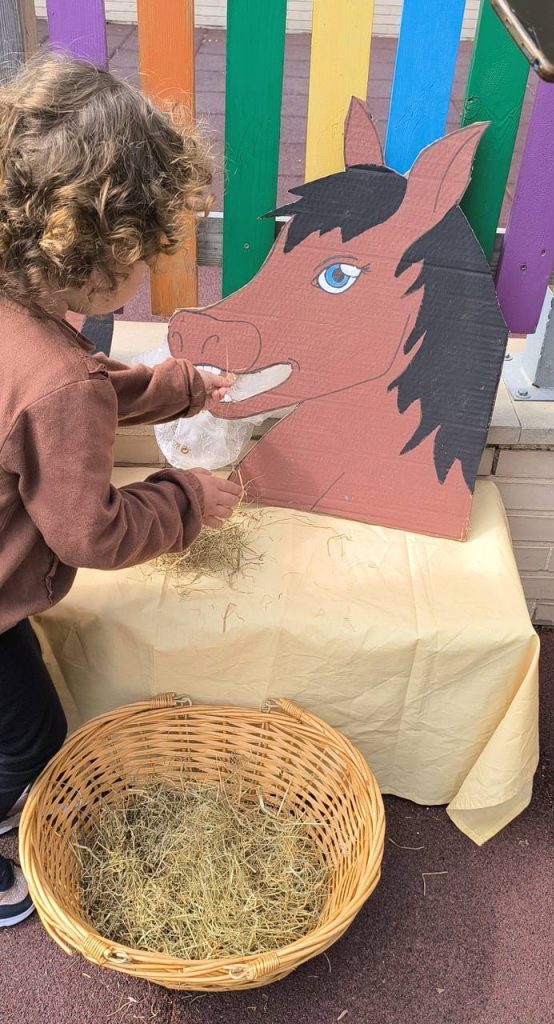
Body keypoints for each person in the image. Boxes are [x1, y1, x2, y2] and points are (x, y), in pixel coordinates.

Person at [0, 53, 242, 926]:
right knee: (27, 739)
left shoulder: (21, 320)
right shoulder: (57, 382)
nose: (146, 270)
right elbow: (90, 530)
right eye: (143, 251)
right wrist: (186, 501)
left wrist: (179, 387)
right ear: (98, 252)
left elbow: (72, 392)